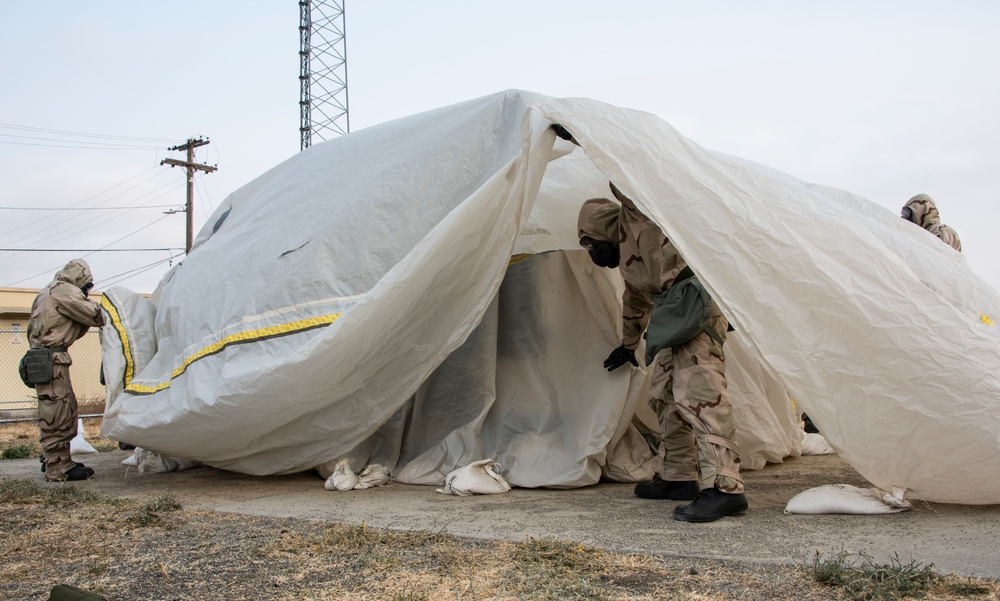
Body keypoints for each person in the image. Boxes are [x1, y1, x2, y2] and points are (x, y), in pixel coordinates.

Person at [577, 185, 747, 522]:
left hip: (693, 305)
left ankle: (728, 489)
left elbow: (625, 167)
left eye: (591, 243)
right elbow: (636, 303)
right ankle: (678, 477)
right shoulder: (630, 262)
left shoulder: (638, 212)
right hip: (670, 315)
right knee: (665, 396)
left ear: (603, 229)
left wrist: (584, 137)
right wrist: (627, 346)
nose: (593, 253)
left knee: (701, 394)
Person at [27, 259, 106, 482]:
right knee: (57, 413)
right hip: (52, 359)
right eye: (87, 285)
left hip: (44, 357)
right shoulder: (65, 291)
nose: (86, 290)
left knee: (60, 408)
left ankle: (57, 459)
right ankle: (58, 468)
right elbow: (96, 315)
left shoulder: (48, 291)